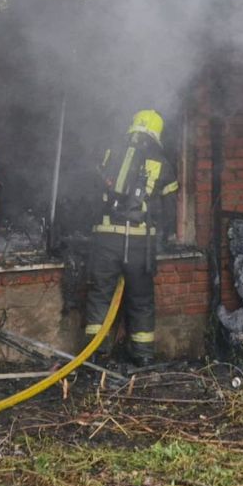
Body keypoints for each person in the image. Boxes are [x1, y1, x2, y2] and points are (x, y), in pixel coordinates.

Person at [83, 109, 179, 367]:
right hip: (139, 243)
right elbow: (170, 210)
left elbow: (91, 187)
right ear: (157, 132)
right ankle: (143, 354)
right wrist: (164, 236)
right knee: (141, 299)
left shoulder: (111, 152)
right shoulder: (164, 164)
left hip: (106, 239)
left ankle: (95, 354)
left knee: (100, 295)